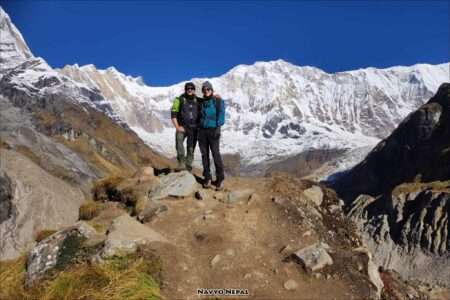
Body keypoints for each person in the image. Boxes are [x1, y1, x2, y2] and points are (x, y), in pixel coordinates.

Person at [198, 81, 226, 190]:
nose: (206, 91)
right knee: (204, 155)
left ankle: (220, 178)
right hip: (202, 131)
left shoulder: (218, 101)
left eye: (208, 89)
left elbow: (222, 116)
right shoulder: (201, 102)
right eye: (204, 90)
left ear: (212, 90)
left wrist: (217, 127)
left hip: (213, 131)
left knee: (215, 154)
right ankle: (207, 177)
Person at [170, 82, 200, 172]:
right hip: (182, 127)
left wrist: (215, 96)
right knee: (179, 142)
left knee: (191, 148)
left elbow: (209, 100)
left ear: (194, 90)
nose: (189, 90)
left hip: (194, 128)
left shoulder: (199, 100)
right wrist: (177, 127)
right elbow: (173, 114)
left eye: (191, 88)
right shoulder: (179, 99)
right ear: (185, 90)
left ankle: (188, 165)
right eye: (188, 88)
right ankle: (181, 163)